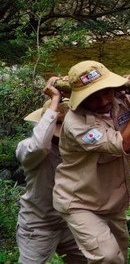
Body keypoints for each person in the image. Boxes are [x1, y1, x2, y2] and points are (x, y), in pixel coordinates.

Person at [53, 60, 130, 264]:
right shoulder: (76, 123)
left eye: (107, 92)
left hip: (112, 199)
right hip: (80, 201)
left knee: (120, 256)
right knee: (107, 257)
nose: (104, 101)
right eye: (93, 97)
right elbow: (123, 145)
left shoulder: (120, 100)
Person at [16, 77, 85, 264]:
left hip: (72, 220)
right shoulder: (28, 147)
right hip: (38, 224)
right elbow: (40, 147)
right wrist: (55, 101)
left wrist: (73, 92)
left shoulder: (77, 146)